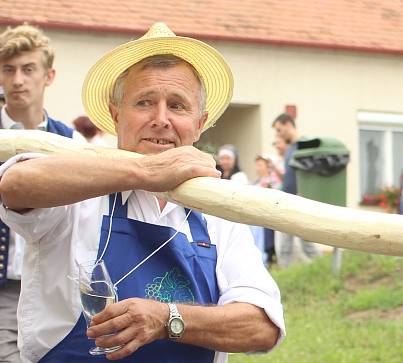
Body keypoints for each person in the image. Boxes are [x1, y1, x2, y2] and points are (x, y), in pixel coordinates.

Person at [0, 23, 284, 362]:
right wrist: (148, 171)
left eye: (177, 106)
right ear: (115, 114)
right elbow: (14, 185)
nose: (161, 119)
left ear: (200, 122)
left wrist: (169, 319)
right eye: (145, 102)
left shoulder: (221, 211)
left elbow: (262, 326)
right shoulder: (79, 184)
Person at [0, 24, 85, 363]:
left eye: (28, 69)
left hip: (55, 284)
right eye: (9, 69)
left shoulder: (69, 140)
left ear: (48, 76)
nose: (18, 79)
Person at [272, 112, 319, 267]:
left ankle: (322, 268)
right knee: (285, 244)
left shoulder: (304, 144)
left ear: (288, 125)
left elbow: (311, 170)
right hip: (288, 200)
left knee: (307, 243)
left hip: (300, 200)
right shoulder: (290, 148)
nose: (278, 134)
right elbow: (290, 175)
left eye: (279, 130)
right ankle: (285, 274)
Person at [251, 153, 282, 266]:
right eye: (256, 165)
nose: (257, 168)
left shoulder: (273, 182)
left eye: (260, 165)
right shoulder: (255, 182)